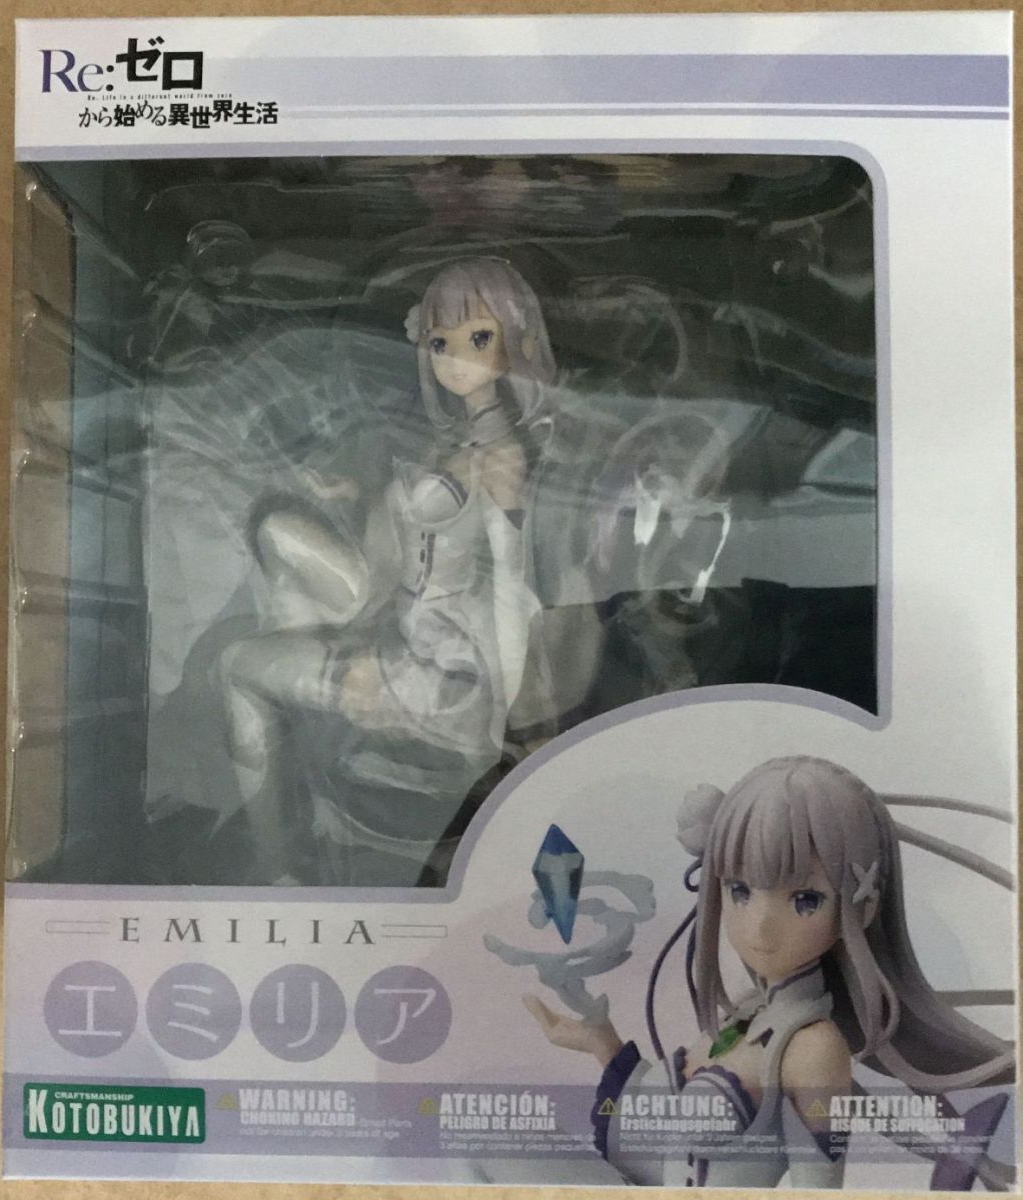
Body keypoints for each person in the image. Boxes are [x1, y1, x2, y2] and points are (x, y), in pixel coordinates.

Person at [220, 258, 555, 884]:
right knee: (273, 531)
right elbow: (416, 525)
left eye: (479, 338)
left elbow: (514, 589)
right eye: (441, 343)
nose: (456, 360)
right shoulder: (455, 440)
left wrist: (513, 725)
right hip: (395, 631)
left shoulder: (502, 455)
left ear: (514, 337)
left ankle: (275, 867)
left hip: (440, 673)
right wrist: (353, 496)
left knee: (237, 665)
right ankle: (288, 835)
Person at [526, 756, 1014, 1187]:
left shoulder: (812, 1048)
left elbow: (816, 1187)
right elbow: (662, 1122)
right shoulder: (744, 1013)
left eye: (805, 899)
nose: (760, 925)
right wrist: (603, 1044)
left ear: (860, 908)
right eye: (740, 891)